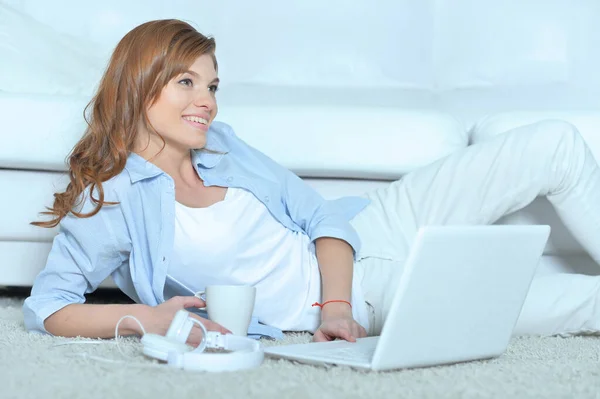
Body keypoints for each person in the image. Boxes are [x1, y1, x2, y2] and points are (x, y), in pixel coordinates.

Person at [23, 19, 600, 346]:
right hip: (378, 296)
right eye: (186, 82)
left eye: (213, 85)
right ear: (138, 85)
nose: (207, 102)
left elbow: (321, 216)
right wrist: (150, 318)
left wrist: (335, 307)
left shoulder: (223, 146)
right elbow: (48, 307)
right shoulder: (113, 201)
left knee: (554, 142)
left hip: (374, 224)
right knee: (581, 303)